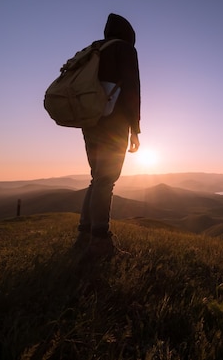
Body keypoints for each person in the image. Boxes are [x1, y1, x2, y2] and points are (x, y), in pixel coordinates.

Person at [73, 13, 141, 262]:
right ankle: (99, 241)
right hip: (114, 123)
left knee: (97, 179)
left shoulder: (95, 49)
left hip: (90, 120)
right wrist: (135, 129)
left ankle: (85, 234)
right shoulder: (125, 50)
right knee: (106, 180)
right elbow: (132, 89)